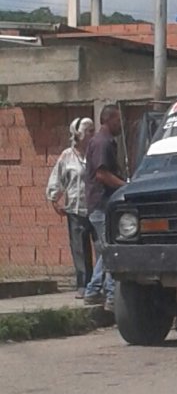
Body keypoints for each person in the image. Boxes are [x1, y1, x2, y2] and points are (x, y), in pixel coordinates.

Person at [46, 117, 96, 299]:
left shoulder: (95, 152)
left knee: (100, 247)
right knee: (79, 249)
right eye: (89, 131)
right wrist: (54, 199)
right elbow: (57, 178)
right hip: (75, 209)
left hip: (95, 207)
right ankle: (83, 284)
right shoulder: (67, 155)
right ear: (79, 135)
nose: (92, 134)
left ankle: (99, 285)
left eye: (93, 130)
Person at [83, 105, 127, 312]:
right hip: (101, 204)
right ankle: (110, 296)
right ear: (108, 120)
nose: (121, 125)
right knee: (110, 250)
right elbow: (101, 175)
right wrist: (125, 186)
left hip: (101, 204)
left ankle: (93, 291)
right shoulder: (102, 143)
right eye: (118, 121)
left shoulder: (105, 141)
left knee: (106, 249)